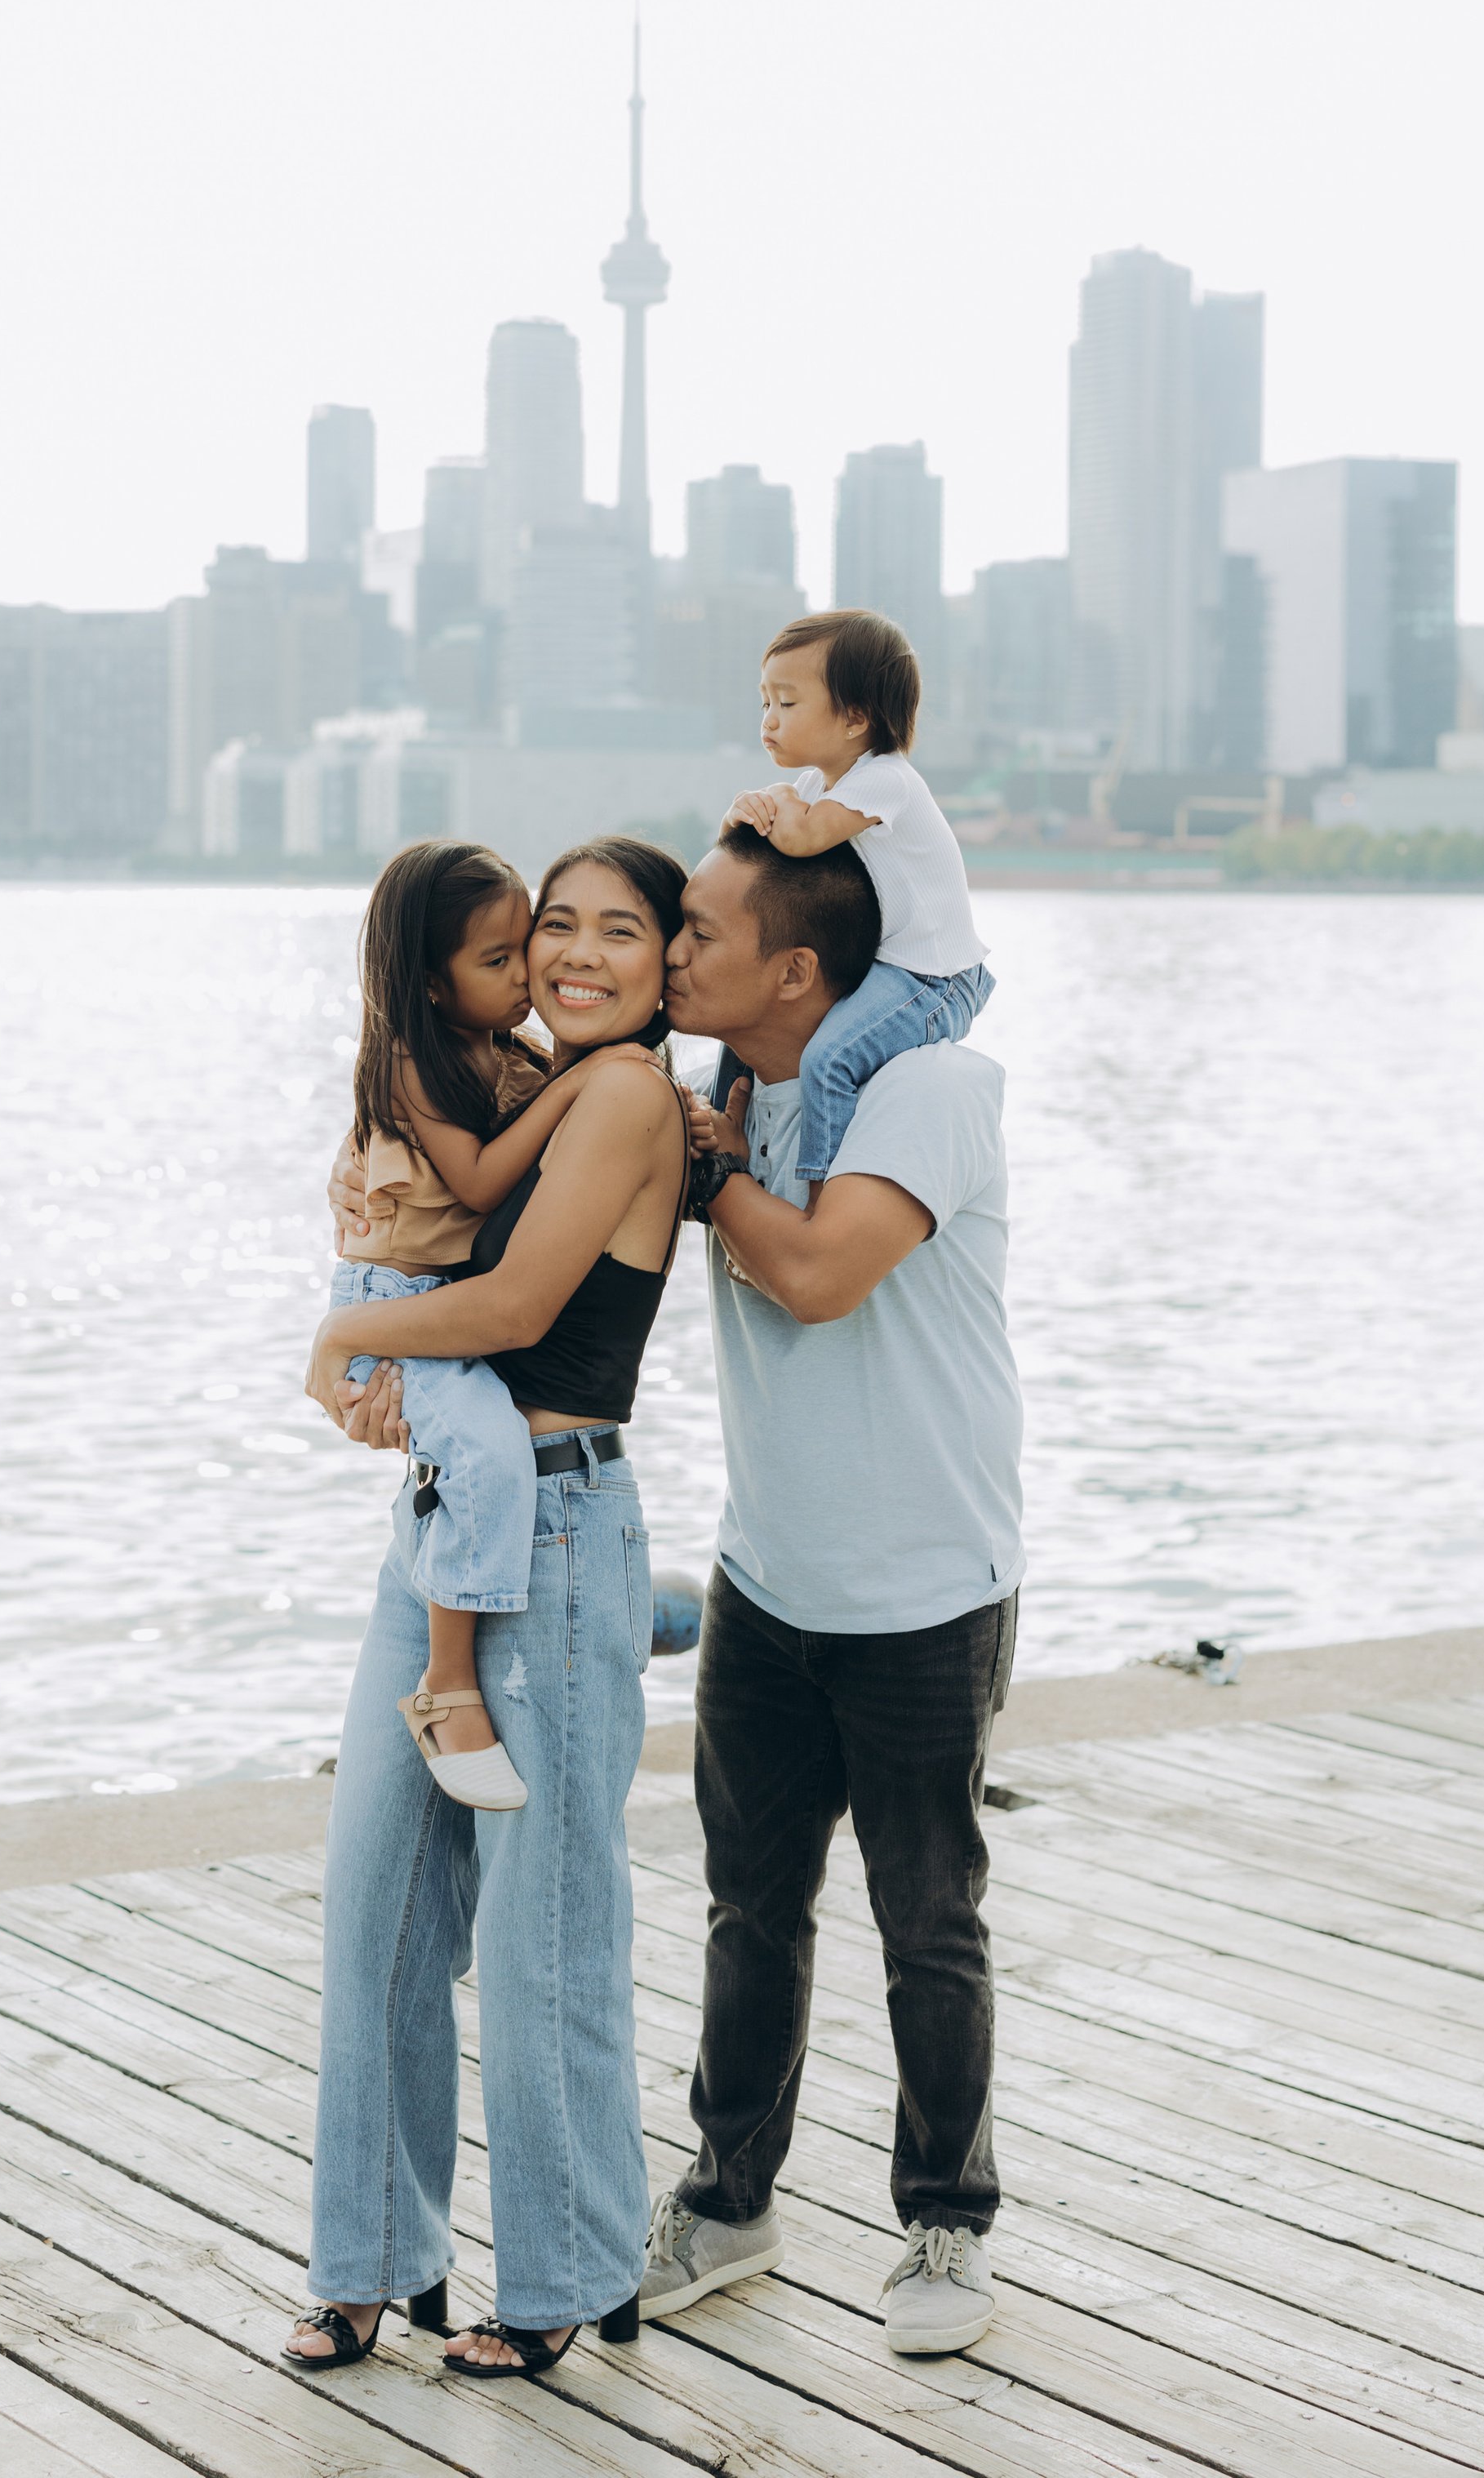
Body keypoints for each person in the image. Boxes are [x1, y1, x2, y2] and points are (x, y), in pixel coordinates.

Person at [285, 837, 691, 2387]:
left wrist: (346, 1330)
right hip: (450, 1522)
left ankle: (571, 2272)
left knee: (544, 1932)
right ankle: (372, 2262)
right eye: (552, 930)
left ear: (670, 962)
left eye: (611, 933)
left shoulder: (627, 1093)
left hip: (566, 1518)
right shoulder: (530, 1080)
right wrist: (376, 1358)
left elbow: (517, 1313)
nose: (571, 957)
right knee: (377, 1902)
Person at [642, 822, 1024, 2356]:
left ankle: (945, 2227)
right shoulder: (718, 1093)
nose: (671, 955)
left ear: (794, 970)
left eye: (698, 934)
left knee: (928, 1919)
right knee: (752, 1908)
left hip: (926, 1586)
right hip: (767, 1579)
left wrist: (712, 1169)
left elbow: (815, 1273)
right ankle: (732, 2201)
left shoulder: (931, 1090)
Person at [337, 838, 657, 1812]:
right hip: (395, 1301)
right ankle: (452, 1675)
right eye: (505, 957)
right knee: (480, 1453)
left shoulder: (520, 1061)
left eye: (524, 945)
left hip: (457, 1341)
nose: (531, 973)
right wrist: (571, 1085)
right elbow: (480, 1181)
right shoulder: (412, 1062)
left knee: (481, 1455)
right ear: (433, 986)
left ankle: (488, 1661)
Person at [722, 609, 993, 1193]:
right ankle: (724, 1149)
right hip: (888, 967)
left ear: (855, 718)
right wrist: (742, 815)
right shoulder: (819, 786)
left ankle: (821, 1194)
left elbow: (797, 838)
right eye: (764, 702)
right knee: (743, 1026)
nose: (768, 721)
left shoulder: (884, 778)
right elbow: (762, 863)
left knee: (829, 1061)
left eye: (787, 704)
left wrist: (767, 798)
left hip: (933, 978)